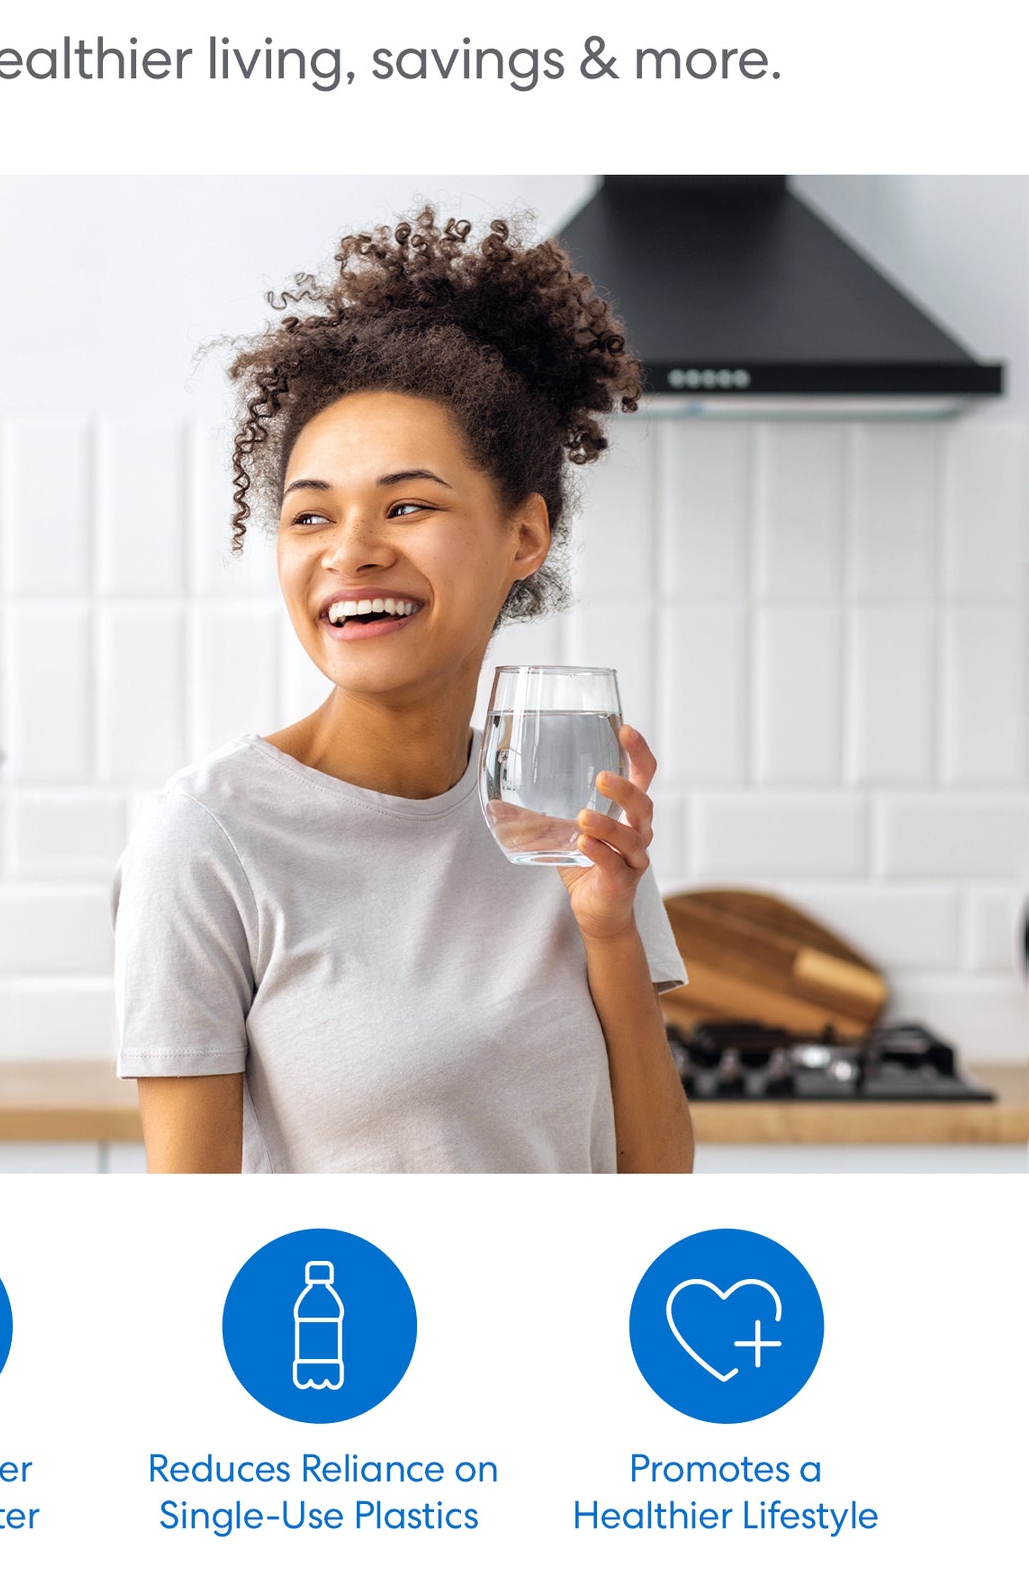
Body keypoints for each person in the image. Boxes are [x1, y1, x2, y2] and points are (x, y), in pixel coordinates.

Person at [113, 206, 693, 1174]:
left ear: (525, 535)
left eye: (408, 505)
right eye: (310, 517)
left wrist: (610, 930)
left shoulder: (561, 807)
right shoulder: (208, 836)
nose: (351, 551)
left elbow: (653, 1179)